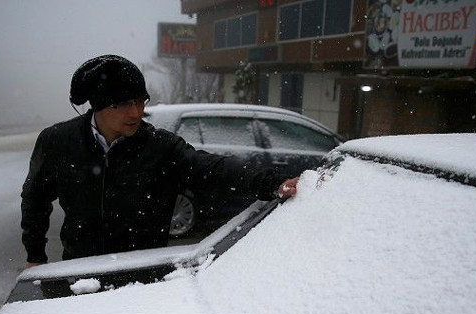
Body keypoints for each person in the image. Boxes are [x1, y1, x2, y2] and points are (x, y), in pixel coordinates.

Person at [22, 55, 298, 267]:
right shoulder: (58, 141)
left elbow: (211, 168)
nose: (136, 112)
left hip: (142, 275)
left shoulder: (159, 147)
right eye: (124, 104)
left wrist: (273, 182)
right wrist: (35, 255)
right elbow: (35, 199)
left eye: (141, 101)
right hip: (78, 269)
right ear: (98, 105)